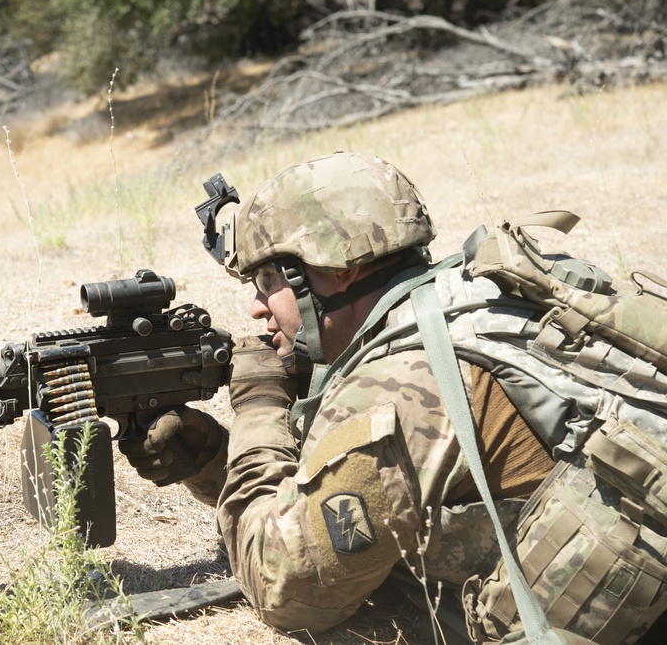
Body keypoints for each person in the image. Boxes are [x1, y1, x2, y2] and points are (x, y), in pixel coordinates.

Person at [119, 151, 667, 643]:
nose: (258, 308)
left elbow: (287, 587)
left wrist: (259, 408)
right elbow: (358, 499)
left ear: (335, 271)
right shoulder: (469, 298)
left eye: (267, 282)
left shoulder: (398, 386)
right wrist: (217, 459)